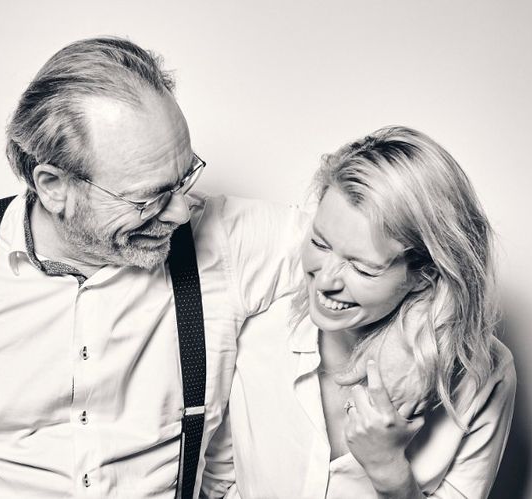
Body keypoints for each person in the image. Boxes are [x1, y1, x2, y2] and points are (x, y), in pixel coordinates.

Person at [0, 37, 309, 498]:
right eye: (149, 198)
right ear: (53, 186)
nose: (178, 212)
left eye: (184, 178)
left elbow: (349, 233)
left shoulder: (223, 242)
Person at [211, 126, 516, 498]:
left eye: (363, 268)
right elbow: (218, 482)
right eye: (320, 243)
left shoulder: (483, 374)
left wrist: (389, 471)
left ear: (425, 277)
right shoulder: (259, 328)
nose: (325, 281)